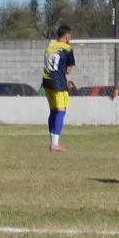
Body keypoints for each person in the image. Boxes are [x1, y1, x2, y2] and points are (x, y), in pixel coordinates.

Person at [42, 24, 76, 152]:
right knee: (61, 111)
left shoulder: (49, 46)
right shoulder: (67, 48)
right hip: (58, 83)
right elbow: (68, 71)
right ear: (67, 36)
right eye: (70, 35)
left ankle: (53, 141)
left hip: (46, 82)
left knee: (53, 111)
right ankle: (55, 144)